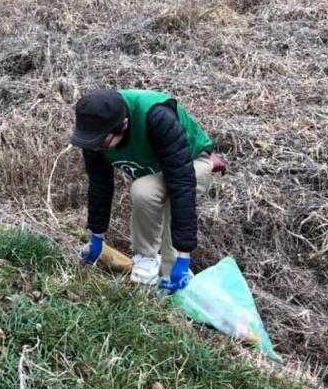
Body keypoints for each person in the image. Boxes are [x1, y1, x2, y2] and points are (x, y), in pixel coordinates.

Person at [71, 89, 221, 293]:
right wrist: (96, 236)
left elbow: (181, 184)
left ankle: (172, 277)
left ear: (123, 125)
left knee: (160, 193)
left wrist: (183, 255)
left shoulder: (156, 117)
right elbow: (99, 186)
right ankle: (146, 259)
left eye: (103, 143)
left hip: (193, 163)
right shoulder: (96, 134)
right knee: (144, 190)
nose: (97, 149)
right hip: (158, 172)